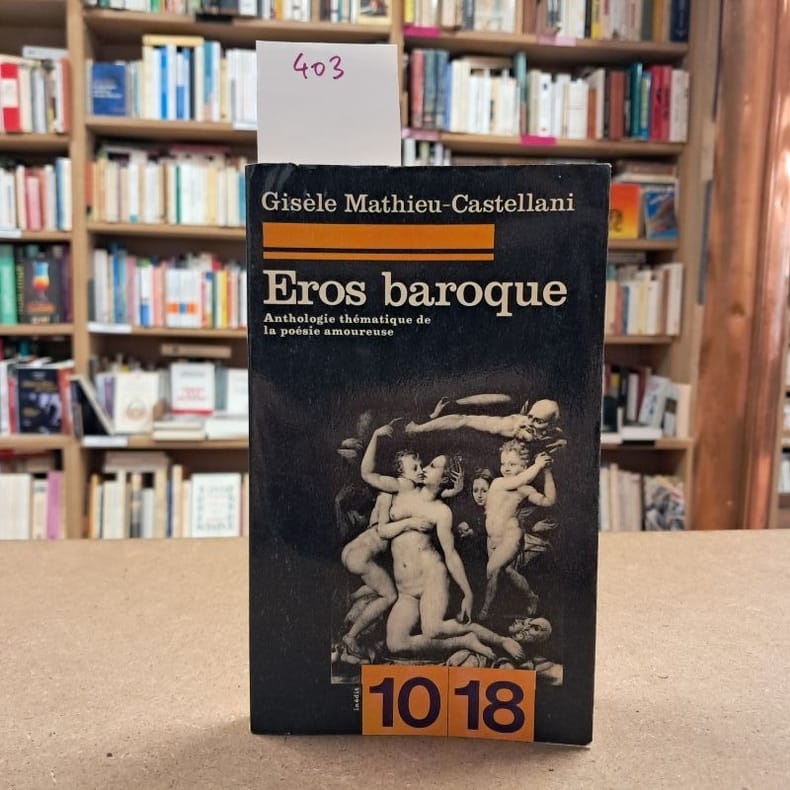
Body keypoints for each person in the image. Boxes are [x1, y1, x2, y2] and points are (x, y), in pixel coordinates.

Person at [383, 454, 524, 663]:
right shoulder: (405, 490)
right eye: (427, 463)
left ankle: (500, 640)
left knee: (433, 629)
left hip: (431, 578)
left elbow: (450, 554)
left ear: (443, 478)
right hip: (405, 590)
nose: (425, 467)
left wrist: (467, 593)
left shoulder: (441, 511)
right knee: (395, 644)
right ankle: (464, 640)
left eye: (433, 466)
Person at [339, 424, 460, 659]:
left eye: (420, 465)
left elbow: (429, 494)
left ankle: (352, 613)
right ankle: (351, 637)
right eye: (414, 468)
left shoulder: (401, 492)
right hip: (361, 555)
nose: (420, 470)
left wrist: (452, 492)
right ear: (400, 473)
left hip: (355, 552)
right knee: (390, 596)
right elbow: (368, 476)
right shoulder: (397, 487)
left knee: (379, 589)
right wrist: (376, 436)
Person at [479, 441, 556, 621]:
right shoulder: (498, 483)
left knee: (492, 568)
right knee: (506, 571)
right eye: (503, 463)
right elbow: (520, 480)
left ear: (524, 467)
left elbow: (549, 501)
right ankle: (531, 597)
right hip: (492, 539)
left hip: (510, 536)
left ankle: (485, 610)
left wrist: (546, 472)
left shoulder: (525, 489)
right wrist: (538, 466)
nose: (506, 468)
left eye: (512, 464)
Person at [405, 397, 567, 454]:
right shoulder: (515, 425)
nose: (529, 423)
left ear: (551, 426)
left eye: (538, 421)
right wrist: (418, 429)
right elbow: (463, 420)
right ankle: (451, 405)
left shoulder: (557, 437)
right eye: (529, 416)